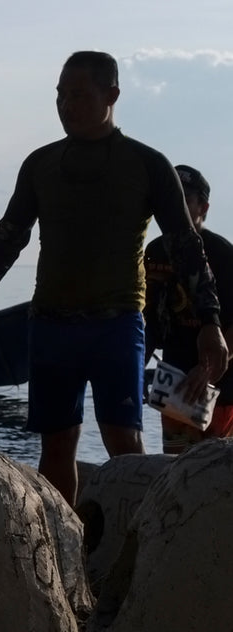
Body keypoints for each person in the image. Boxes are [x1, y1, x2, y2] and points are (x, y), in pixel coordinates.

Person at [0, 51, 227, 504]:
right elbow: (7, 238)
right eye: (60, 94)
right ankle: (61, 553)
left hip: (115, 325)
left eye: (78, 95)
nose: (65, 104)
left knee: (125, 447)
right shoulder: (41, 165)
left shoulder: (148, 164)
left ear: (111, 95)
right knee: (56, 448)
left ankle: (134, 557)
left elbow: (186, 246)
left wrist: (210, 322)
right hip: (50, 324)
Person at [144, 164, 233, 453]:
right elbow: (151, 320)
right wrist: (134, 367)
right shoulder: (154, 252)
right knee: (174, 469)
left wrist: (206, 371)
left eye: (185, 199)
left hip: (220, 388)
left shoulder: (223, 254)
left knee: (214, 473)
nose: (174, 206)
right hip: (173, 385)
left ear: (203, 206)